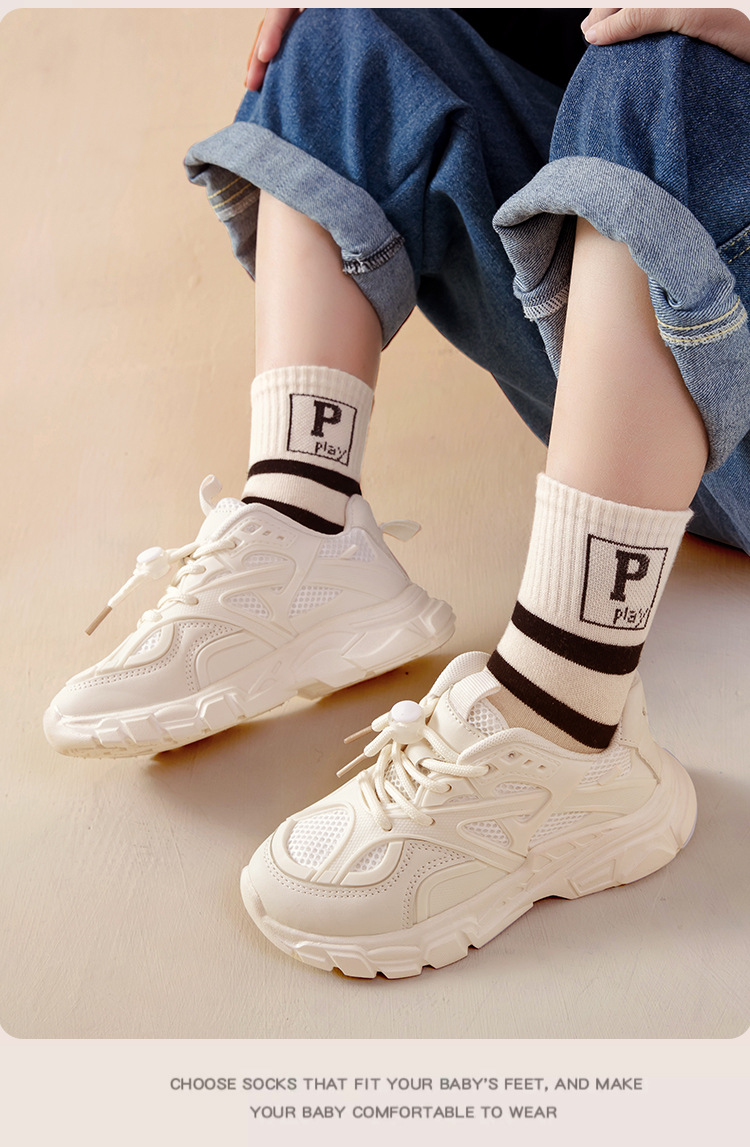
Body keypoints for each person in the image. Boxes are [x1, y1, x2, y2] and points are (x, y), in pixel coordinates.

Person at [44, 8, 750, 977]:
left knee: (672, 77)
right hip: (634, 412)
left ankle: (570, 720)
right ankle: (304, 520)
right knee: (350, 33)